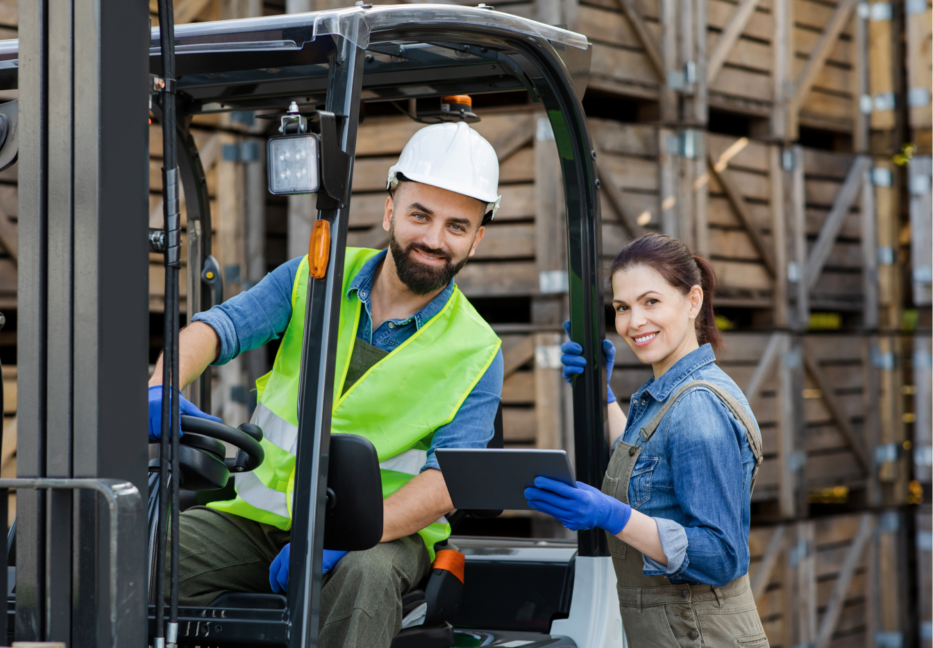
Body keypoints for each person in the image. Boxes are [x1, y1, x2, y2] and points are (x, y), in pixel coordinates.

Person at [147, 121, 505, 648]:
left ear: (477, 238)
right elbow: (220, 327)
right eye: (419, 215)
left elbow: (447, 481)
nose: (433, 239)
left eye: (456, 226)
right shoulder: (311, 277)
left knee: (365, 577)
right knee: (129, 548)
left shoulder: (479, 350)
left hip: (382, 536)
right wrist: (162, 383)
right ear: (390, 210)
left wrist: (342, 537)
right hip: (260, 520)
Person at [526, 233, 768, 647]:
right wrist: (599, 393)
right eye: (622, 308)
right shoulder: (669, 394)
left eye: (650, 302)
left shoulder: (696, 406)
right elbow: (651, 465)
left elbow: (721, 554)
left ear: (693, 301)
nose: (633, 321)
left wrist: (612, 515)